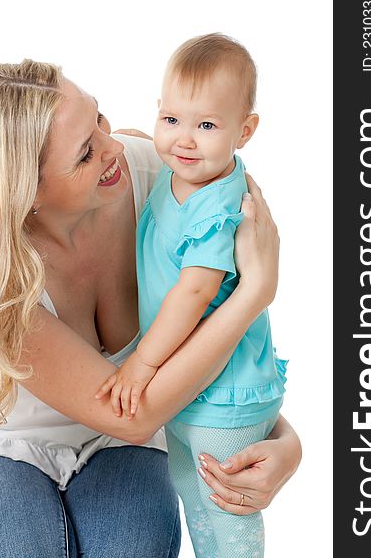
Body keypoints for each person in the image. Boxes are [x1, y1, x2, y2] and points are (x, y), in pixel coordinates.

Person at [0, 58, 301, 558]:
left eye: (99, 120)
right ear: (23, 193)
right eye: (86, 153)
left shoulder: (166, 177)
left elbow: (230, 340)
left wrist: (283, 439)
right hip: (2, 440)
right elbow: (130, 412)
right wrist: (256, 291)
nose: (116, 148)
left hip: (129, 438)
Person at [96, 33, 286, 558]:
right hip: (189, 390)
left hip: (224, 394)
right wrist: (140, 136)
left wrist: (140, 366)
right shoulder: (181, 172)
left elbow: (195, 292)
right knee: (193, 502)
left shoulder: (218, 203)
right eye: (172, 120)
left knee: (229, 517)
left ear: (245, 131)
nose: (183, 139)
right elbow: (145, 144)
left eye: (207, 125)